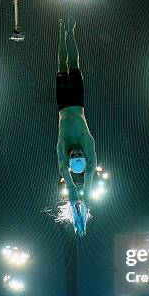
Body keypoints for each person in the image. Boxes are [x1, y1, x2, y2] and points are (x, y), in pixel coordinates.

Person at [56, 17, 97, 236]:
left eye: (75, 154)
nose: (77, 150)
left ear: (70, 160)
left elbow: (72, 189)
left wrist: (76, 217)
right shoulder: (87, 145)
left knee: (62, 64)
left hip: (63, 103)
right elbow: (87, 184)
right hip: (78, 102)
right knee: (75, 64)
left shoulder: (62, 151)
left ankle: (61, 33)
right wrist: (85, 213)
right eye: (80, 153)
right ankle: (71, 32)